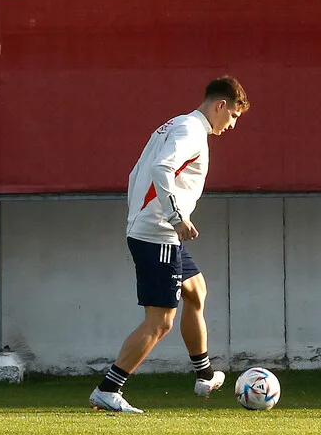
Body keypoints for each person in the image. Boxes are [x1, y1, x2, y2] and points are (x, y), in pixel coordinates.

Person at [89, 76, 250, 413]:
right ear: (221, 105)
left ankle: (204, 374)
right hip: (159, 233)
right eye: (233, 116)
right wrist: (175, 217)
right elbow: (162, 169)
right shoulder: (192, 132)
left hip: (155, 231)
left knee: (196, 289)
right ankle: (108, 389)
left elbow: (137, 173)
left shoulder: (175, 124)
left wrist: (138, 215)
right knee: (161, 321)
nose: (232, 125)